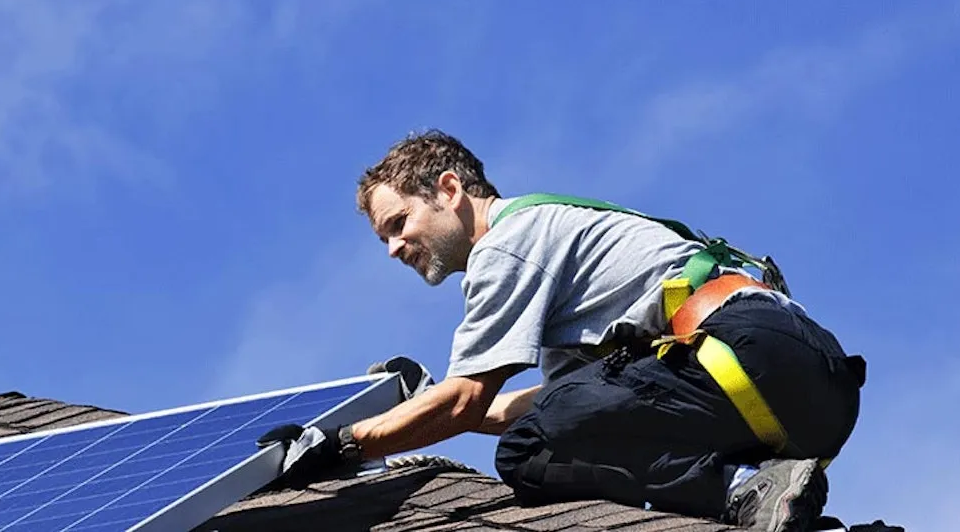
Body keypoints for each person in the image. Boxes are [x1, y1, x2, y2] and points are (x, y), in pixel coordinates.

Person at [257, 129, 866, 532]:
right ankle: (781, 500)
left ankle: (740, 490)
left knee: (527, 454)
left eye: (399, 222)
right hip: (810, 388)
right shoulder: (558, 249)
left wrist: (344, 443)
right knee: (548, 426)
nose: (393, 248)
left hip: (743, 358)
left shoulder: (508, 245)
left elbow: (473, 399)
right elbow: (531, 406)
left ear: (449, 190)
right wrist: (423, 407)